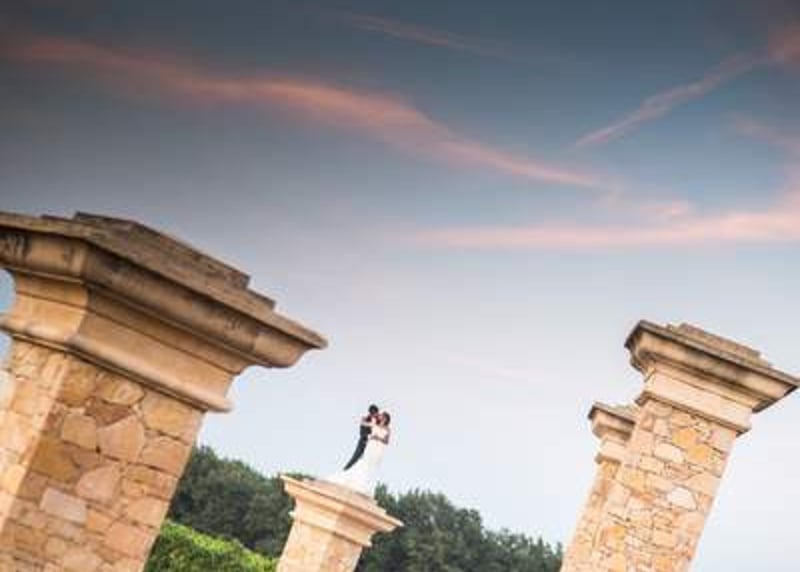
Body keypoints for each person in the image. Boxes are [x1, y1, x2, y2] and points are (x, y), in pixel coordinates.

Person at [327, 410, 392, 496]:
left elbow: (387, 441)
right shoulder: (375, 424)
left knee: (372, 467)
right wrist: (366, 418)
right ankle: (359, 483)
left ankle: (365, 485)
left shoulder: (388, 429)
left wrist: (378, 438)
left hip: (379, 449)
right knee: (364, 463)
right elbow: (363, 423)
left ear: (385, 418)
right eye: (380, 416)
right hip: (371, 447)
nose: (380, 417)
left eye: (382, 416)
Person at [344, 404, 379, 470]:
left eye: (376, 413)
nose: (376, 414)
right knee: (356, 457)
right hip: (363, 442)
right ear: (370, 412)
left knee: (367, 461)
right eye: (374, 413)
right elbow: (362, 432)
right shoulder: (365, 419)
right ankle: (345, 470)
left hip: (373, 444)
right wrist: (368, 436)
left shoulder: (378, 421)